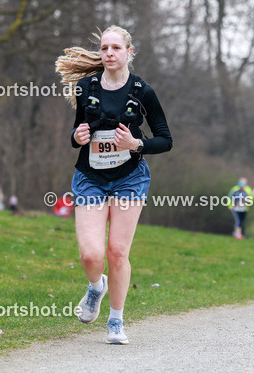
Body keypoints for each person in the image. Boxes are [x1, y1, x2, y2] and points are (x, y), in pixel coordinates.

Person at [56, 25, 173, 344]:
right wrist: (75, 137)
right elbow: (78, 133)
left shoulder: (143, 91)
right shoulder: (85, 88)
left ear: (128, 52)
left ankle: (116, 321)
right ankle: (96, 287)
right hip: (91, 178)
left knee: (117, 251)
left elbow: (165, 140)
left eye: (116, 48)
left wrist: (136, 144)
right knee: (91, 255)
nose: (109, 53)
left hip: (130, 178)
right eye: (105, 48)